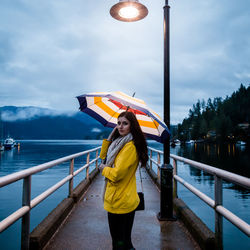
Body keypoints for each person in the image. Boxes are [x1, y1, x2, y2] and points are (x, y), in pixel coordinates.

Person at [99, 111, 148, 250]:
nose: (120, 126)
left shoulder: (129, 147)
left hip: (119, 200)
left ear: (132, 126)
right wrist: (109, 138)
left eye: (125, 123)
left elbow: (116, 174)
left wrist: (103, 169)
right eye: (118, 123)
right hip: (122, 199)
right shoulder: (119, 143)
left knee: (118, 243)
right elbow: (104, 157)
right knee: (125, 241)